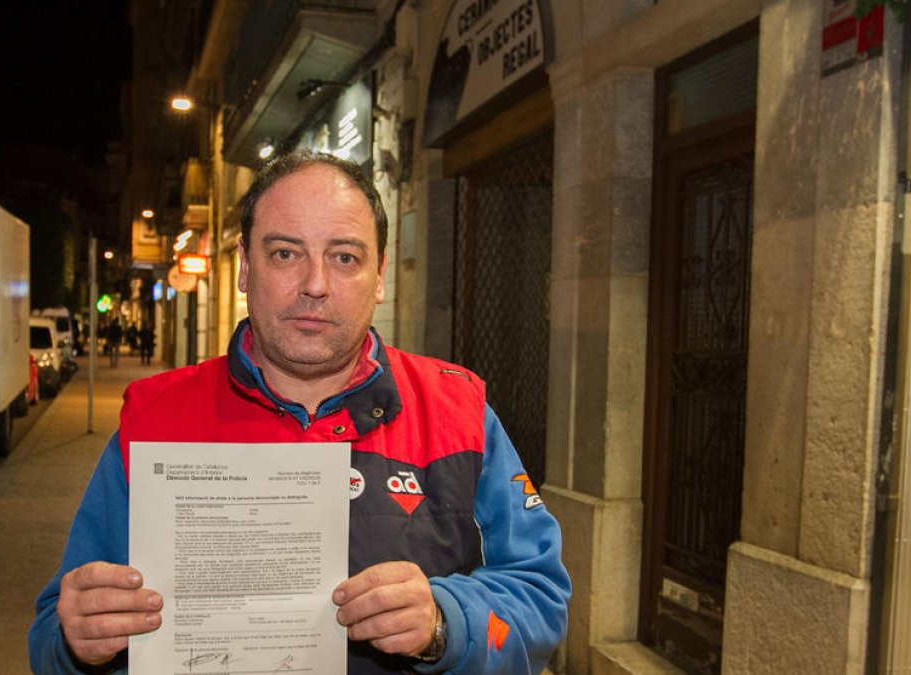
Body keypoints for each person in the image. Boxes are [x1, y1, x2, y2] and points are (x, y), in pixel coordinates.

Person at [28, 151, 571, 674]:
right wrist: (76, 641)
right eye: (285, 253)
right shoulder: (154, 420)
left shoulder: (460, 414)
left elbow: (541, 602)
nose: (315, 284)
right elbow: (54, 633)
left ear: (379, 275)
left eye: (345, 257)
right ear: (244, 267)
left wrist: (446, 622)